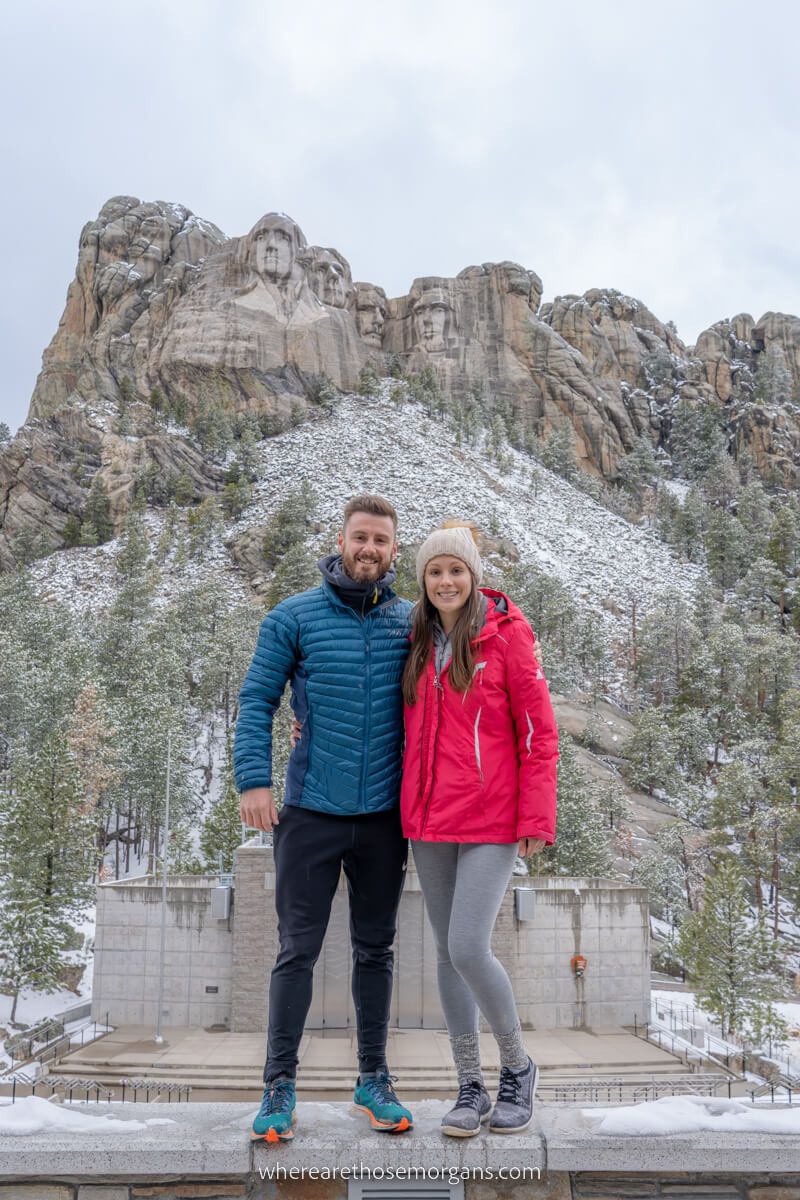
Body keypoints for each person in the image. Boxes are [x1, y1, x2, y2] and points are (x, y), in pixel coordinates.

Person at [234, 495, 414, 1142]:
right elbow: (256, 698)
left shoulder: (411, 624)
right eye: (360, 537)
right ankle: (278, 1085)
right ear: (340, 541)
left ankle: (374, 1078)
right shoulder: (293, 617)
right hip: (310, 811)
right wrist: (253, 779)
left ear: (396, 550)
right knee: (296, 952)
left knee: (376, 950)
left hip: (384, 818)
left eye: (381, 541)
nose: (370, 549)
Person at [400, 522, 559, 1137]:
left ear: (474, 577)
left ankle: (518, 1068)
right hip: (429, 819)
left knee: (468, 945)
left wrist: (535, 818)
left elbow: (538, 734)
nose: (445, 581)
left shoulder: (508, 636)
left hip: (492, 818)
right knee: (445, 953)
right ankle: (470, 1086)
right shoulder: (416, 639)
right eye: (435, 572)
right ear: (425, 580)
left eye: (456, 571)